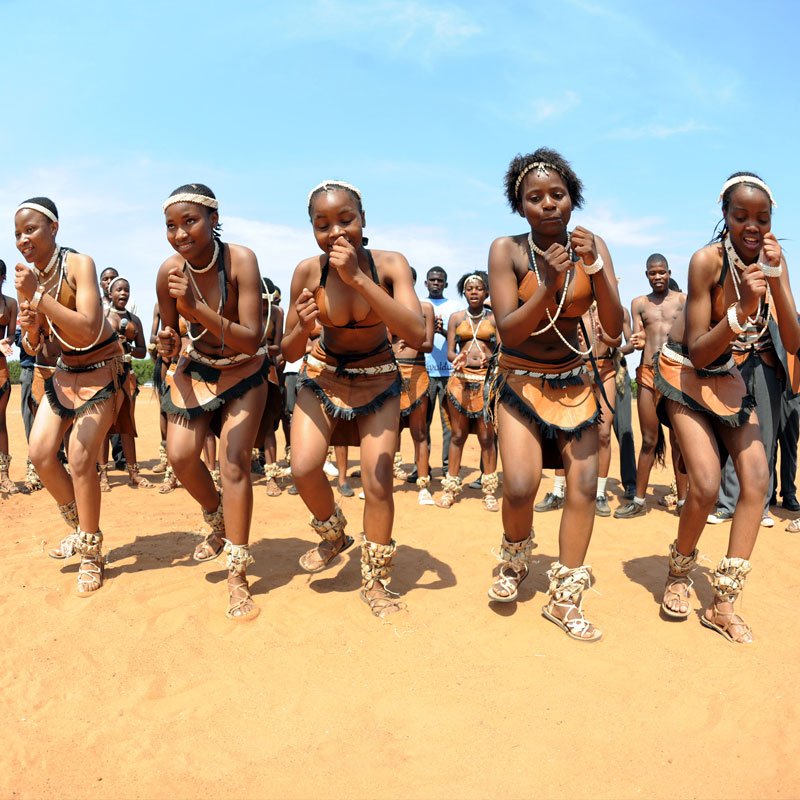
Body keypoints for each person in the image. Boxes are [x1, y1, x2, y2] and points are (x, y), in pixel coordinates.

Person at [654, 172, 800, 643]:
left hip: (728, 375)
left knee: (756, 478)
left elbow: (794, 340)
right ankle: (678, 572)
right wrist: (742, 310)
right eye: (741, 217)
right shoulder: (706, 261)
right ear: (726, 217)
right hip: (684, 373)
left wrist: (776, 283)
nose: (752, 227)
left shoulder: (774, 263)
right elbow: (697, 350)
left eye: (763, 218)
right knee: (705, 483)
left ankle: (724, 601)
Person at [484, 148, 623, 642]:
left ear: (573, 199)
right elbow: (509, 332)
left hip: (575, 380)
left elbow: (612, 326)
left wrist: (597, 267)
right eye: (535, 197)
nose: (548, 204)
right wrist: (551, 285)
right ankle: (516, 557)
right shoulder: (508, 251)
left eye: (557, 195)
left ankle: (565, 595)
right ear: (520, 205)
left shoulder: (593, 245)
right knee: (520, 486)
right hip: (520, 378)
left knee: (583, 487)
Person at [282, 180, 424, 618]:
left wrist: (358, 279)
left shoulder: (389, 264)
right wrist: (302, 329)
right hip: (322, 375)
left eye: (346, 220)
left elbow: (417, 334)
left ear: (364, 220)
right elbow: (286, 352)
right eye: (322, 225)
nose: (336, 232)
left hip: (378, 377)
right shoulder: (308, 271)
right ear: (312, 230)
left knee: (378, 482)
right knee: (303, 468)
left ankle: (376, 581)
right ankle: (334, 533)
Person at [156, 183, 268, 621]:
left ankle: (237, 572)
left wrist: (194, 307)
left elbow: (251, 335)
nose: (180, 233)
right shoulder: (168, 270)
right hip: (199, 366)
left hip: (245, 367)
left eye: (190, 222)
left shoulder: (241, 260)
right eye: (171, 225)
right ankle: (216, 517)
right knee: (181, 455)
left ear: (214, 220)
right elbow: (169, 334)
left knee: (234, 460)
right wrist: (167, 338)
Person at [14, 197, 125, 594]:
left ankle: (91, 553)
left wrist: (38, 299)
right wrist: (30, 325)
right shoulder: (31, 278)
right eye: (17, 234)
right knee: (41, 454)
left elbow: (89, 329)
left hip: (101, 370)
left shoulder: (80, 264)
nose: (22, 239)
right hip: (65, 373)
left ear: (54, 229)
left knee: (80, 459)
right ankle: (82, 532)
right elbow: (35, 346)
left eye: (31, 230)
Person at [616, 255, 687, 518]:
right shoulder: (639, 303)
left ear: (669, 272)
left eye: (661, 273)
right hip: (647, 373)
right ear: (646, 274)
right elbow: (638, 336)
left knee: (679, 439)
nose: (657, 277)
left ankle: (683, 502)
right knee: (648, 440)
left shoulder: (683, 301)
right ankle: (638, 500)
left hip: (677, 374)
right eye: (652, 273)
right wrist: (637, 339)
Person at [434, 271, 499, 511]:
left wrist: (490, 359)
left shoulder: (494, 319)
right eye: (470, 288)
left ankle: (489, 491)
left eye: (479, 288)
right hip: (460, 381)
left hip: (485, 382)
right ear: (464, 291)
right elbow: (450, 351)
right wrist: (458, 356)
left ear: (486, 293)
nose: (474, 292)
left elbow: (501, 350)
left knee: (486, 437)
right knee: (458, 436)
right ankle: (450, 488)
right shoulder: (455, 318)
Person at [98, 276, 151, 490]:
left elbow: (143, 351)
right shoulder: (102, 317)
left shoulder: (134, 320)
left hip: (126, 375)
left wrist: (127, 346)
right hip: (104, 376)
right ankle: (103, 475)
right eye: (119, 290)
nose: (123, 293)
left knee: (127, 426)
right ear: (110, 294)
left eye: (126, 290)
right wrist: (112, 345)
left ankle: (134, 473)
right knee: (103, 427)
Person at [392, 267, 435, 505]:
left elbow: (427, 344)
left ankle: (423, 485)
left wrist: (408, 338)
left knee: (419, 432)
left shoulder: (425, 308)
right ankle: (384, 482)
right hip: (391, 373)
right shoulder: (387, 309)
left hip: (417, 371)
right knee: (389, 432)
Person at [421, 266, 461, 477]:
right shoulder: (419, 305)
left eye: (440, 281)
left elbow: (461, 339)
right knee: (422, 424)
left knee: (449, 425)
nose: (436, 283)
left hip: (449, 373)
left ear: (445, 284)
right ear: (426, 283)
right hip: (425, 372)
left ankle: (447, 468)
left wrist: (442, 331)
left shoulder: (455, 307)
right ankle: (422, 468)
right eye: (432, 280)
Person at [255, 276, 286, 497]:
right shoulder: (245, 308)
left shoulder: (277, 313)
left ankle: (272, 477)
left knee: (267, 425)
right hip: (243, 369)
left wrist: (263, 348)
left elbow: (279, 345)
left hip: (267, 370)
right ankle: (240, 469)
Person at [0, 259, 21, 494]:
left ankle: (4, 476)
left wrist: (6, 341)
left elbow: (12, 334)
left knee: (0, 422)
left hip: (1, 368)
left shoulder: (11, 303)